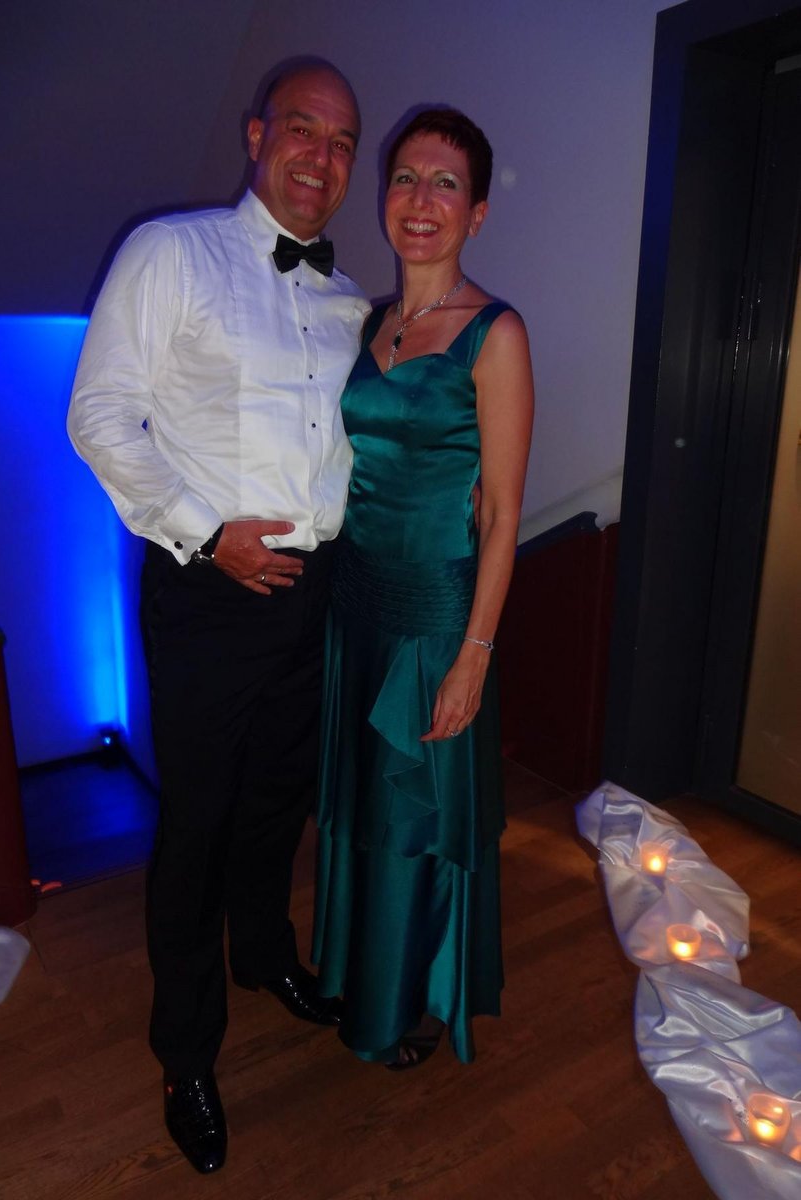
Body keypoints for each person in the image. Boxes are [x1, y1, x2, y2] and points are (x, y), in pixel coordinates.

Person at [67, 61, 369, 1174]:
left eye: (342, 142)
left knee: (278, 799)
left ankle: (266, 955)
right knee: (195, 826)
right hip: (208, 592)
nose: (322, 157)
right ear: (256, 135)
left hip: (315, 592)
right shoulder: (172, 252)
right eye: (303, 129)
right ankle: (186, 1055)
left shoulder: (349, 302)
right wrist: (207, 533)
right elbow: (101, 414)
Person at [312, 108, 534, 1069]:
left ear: (476, 213)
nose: (421, 200)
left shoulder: (496, 333)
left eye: (446, 184)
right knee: (364, 805)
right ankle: (359, 971)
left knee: (413, 816)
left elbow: (504, 514)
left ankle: (404, 1000)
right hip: (355, 602)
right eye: (406, 177)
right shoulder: (371, 323)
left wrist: (474, 655)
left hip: (435, 618)